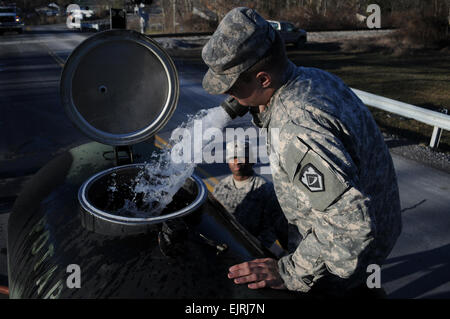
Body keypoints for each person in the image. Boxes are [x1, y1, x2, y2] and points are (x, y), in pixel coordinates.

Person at [201, 7, 402, 295]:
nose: (226, 95)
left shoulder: (295, 126)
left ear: (263, 80)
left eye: (231, 87)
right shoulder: (312, 78)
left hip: (346, 257)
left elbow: (351, 227)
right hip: (380, 225)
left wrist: (290, 272)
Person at [213, 140, 288, 256]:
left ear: (252, 161)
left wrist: (254, 248)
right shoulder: (221, 187)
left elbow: (273, 228)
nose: (237, 162)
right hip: (223, 247)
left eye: (242, 157)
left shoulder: (266, 189)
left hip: (249, 252)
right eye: (233, 158)